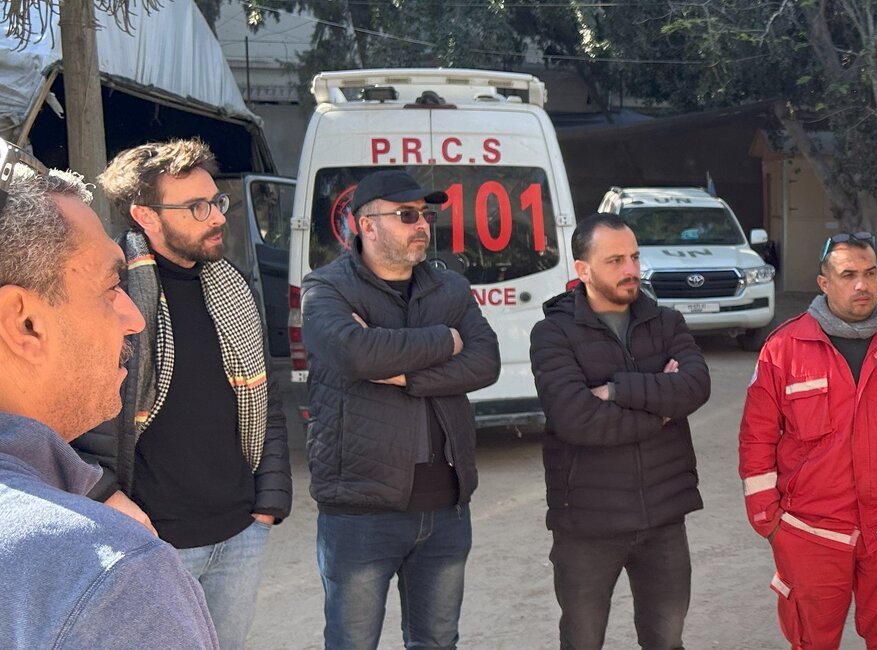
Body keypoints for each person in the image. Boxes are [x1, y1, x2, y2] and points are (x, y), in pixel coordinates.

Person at [67, 139, 289, 650]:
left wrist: (269, 501)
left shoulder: (231, 287)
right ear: (145, 215)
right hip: (153, 540)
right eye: (196, 207)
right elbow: (72, 415)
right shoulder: (108, 298)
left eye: (216, 202)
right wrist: (106, 496)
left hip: (241, 533)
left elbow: (265, 398)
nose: (216, 217)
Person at [0, 162, 217, 648]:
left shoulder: (230, 286)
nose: (132, 319)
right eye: (110, 288)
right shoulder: (108, 574)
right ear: (24, 324)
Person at [301, 169, 501, 649]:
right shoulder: (325, 287)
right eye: (407, 215)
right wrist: (445, 340)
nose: (422, 226)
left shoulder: (448, 287)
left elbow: (486, 361)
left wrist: (406, 374)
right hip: (361, 509)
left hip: (446, 506)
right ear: (366, 225)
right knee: (353, 643)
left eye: (425, 215)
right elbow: (356, 354)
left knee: (437, 642)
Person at [739, 232, 877, 649]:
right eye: (849, 274)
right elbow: (756, 441)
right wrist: (769, 521)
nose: (863, 285)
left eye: (870, 273)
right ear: (824, 282)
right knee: (813, 642)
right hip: (811, 533)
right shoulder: (783, 348)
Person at [530, 214, 710, 650]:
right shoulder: (552, 333)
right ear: (583, 270)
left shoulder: (666, 322)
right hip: (588, 524)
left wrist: (615, 389)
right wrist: (661, 411)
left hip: (664, 518)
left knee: (666, 641)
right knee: (583, 641)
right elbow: (576, 419)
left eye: (633, 257)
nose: (631, 270)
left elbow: (695, 386)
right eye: (615, 260)